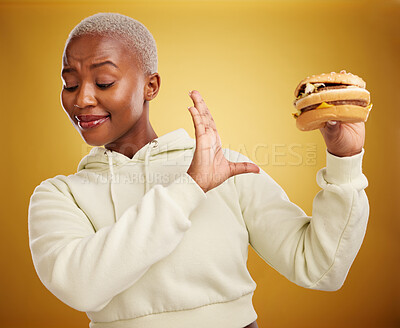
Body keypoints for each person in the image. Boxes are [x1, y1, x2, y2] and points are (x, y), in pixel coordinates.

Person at [28, 12, 369, 328]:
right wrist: (189, 188)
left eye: (103, 82)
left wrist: (345, 159)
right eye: (70, 83)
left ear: (151, 86)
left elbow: (321, 268)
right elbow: (80, 287)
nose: (82, 99)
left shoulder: (225, 168)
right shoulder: (59, 195)